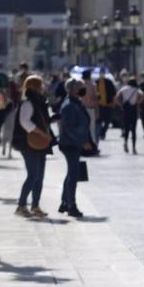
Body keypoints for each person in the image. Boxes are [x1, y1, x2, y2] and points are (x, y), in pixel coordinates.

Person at [13, 75, 55, 218]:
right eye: (41, 85)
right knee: (33, 175)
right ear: (35, 87)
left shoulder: (39, 102)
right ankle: (21, 205)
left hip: (39, 144)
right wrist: (42, 134)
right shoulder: (28, 103)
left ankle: (35, 206)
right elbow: (25, 122)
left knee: (39, 176)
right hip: (29, 144)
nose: (43, 88)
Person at [58, 78, 93, 218]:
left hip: (74, 143)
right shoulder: (69, 105)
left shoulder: (76, 102)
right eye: (80, 87)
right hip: (70, 144)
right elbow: (70, 128)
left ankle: (65, 202)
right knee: (73, 175)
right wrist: (82, 141)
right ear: (73, 89)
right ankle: (71, 205)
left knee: (71, 173)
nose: (83, 89)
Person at [117, 77, 144, 154]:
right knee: (133, 129)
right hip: (133, 109)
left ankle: (125, 142)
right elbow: (142, 95)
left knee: (126, 128)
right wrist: (138, 102)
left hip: (126, 110)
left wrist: (121, 105)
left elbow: (117, 97)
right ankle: (134, 147)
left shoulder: (124, 89)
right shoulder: (137, 89)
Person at [80, 69, 99, 146]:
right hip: (90, 108)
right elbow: (95, 98)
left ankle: (83, 144)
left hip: (81, 109)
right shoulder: (93, 85)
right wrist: (97, 110)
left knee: (82, 128)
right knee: (91, 128)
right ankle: (93, 145)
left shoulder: (80, 85)